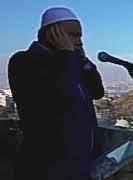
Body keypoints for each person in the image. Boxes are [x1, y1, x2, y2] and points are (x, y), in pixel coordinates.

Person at [8, 7, 104, 180]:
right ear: (52, 34)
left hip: (82, 166)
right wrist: (66, 55)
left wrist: (84, 62)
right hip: (47, 167)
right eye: (73, 35)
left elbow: (97, 92)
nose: (80, 41)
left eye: (80, 35)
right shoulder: (24, 61)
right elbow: (63, 97)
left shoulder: (73, 63)